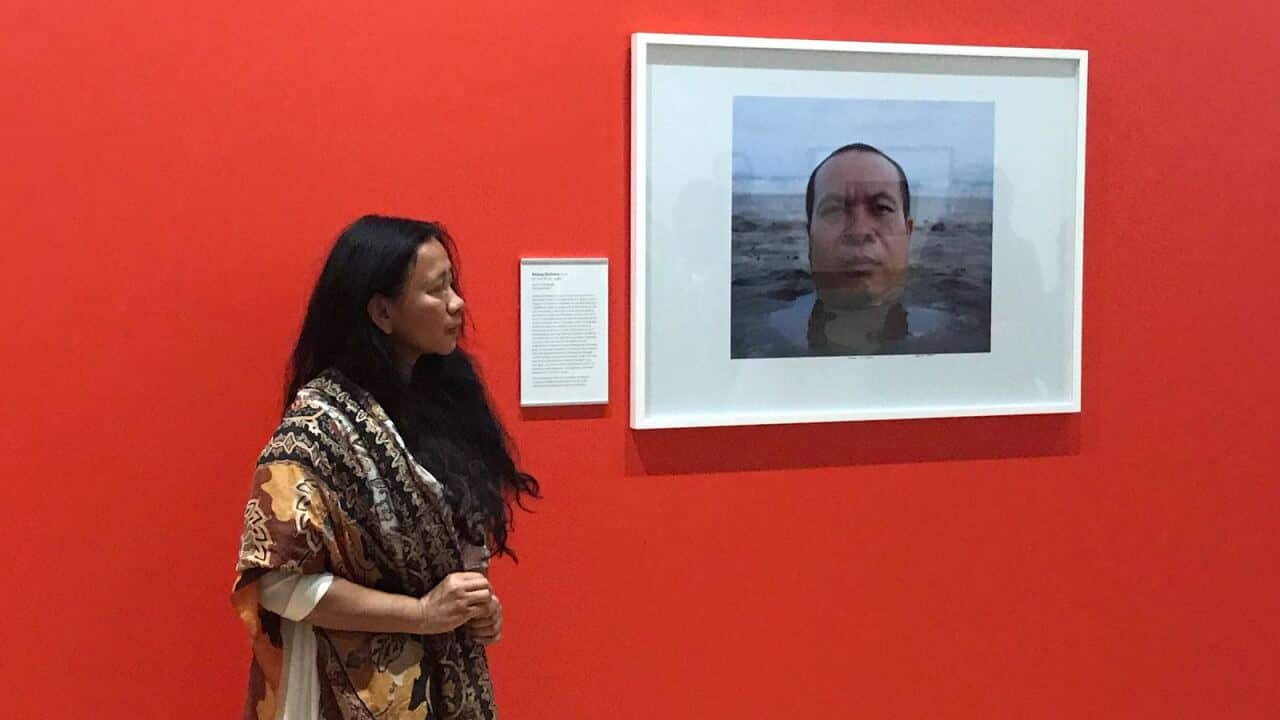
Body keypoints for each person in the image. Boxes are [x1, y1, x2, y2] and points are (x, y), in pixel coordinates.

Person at [232, 215, 539, 720]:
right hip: (350, 684)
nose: (457, 304)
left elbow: (453, 550)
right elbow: (279, 582)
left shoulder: (443, 402)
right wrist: (420, 614)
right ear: (382, 311)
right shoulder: (317, 429)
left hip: (446, 678)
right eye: (436, 290)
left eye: (453, 285)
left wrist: (474, 607)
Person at [763, 142, 950, 355]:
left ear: (908, 233)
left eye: (881, 208)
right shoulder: (757, 333)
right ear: (810, 235)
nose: (859, 231)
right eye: (834, 209)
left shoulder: (957, 333)